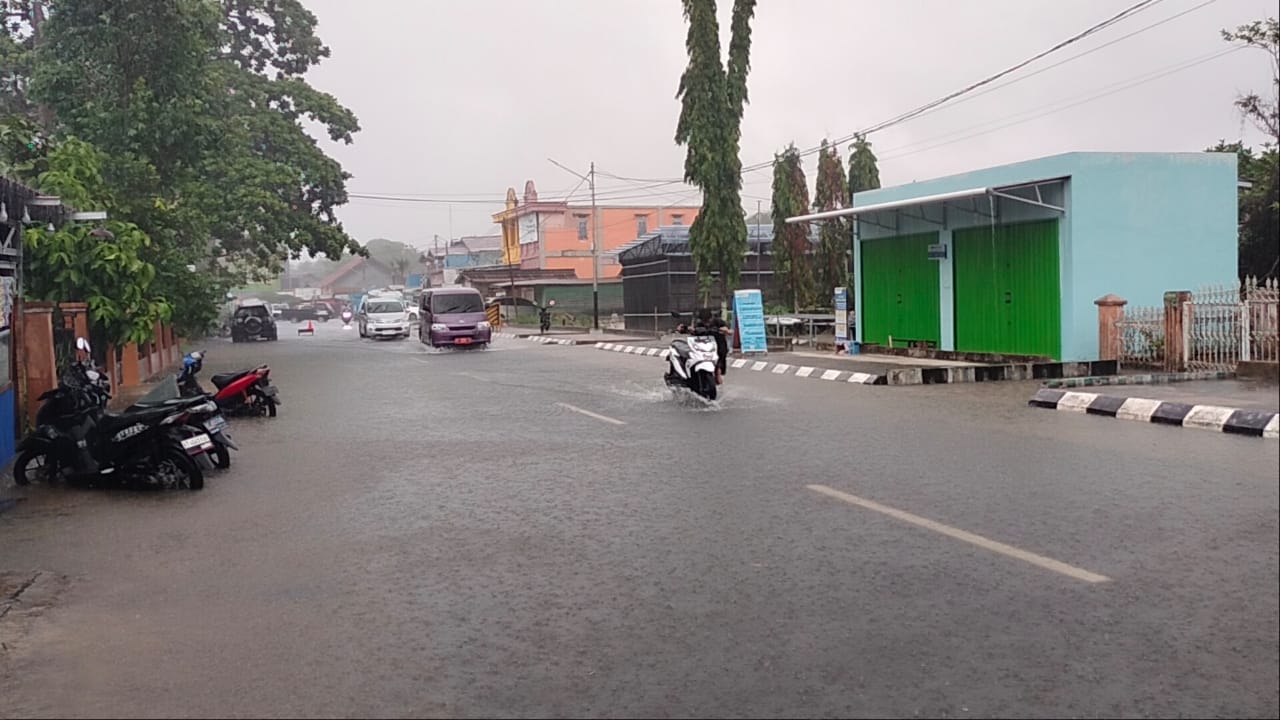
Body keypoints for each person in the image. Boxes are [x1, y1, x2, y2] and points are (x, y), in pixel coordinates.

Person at [695, 309, 731, 385]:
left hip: (719, 347)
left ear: (711, 318)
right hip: (704, 347)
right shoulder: (699, 324)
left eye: (708, 321)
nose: (706, 324)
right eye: (704, 322)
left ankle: (718, 373)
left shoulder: (718, 322)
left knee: (720, 365)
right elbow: (694, 332)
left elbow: (728, 330)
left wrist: (724, 330)